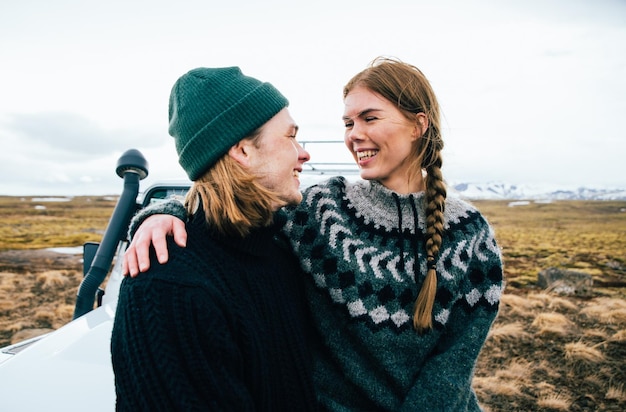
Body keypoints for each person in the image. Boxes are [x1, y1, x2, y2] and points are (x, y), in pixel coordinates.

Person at [124, 57, 504, 411]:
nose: (355, 135)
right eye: (348, 123)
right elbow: (234, 216)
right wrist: (162, 213)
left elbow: (452, 370)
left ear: (419, 125)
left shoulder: (470, 236)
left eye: (370, 118)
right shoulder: (323, 209)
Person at [110, 66, 318, 411]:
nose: (303, 153)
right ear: (242, 151)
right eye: (290, 136)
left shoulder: (285, 247)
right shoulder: (168, 287)